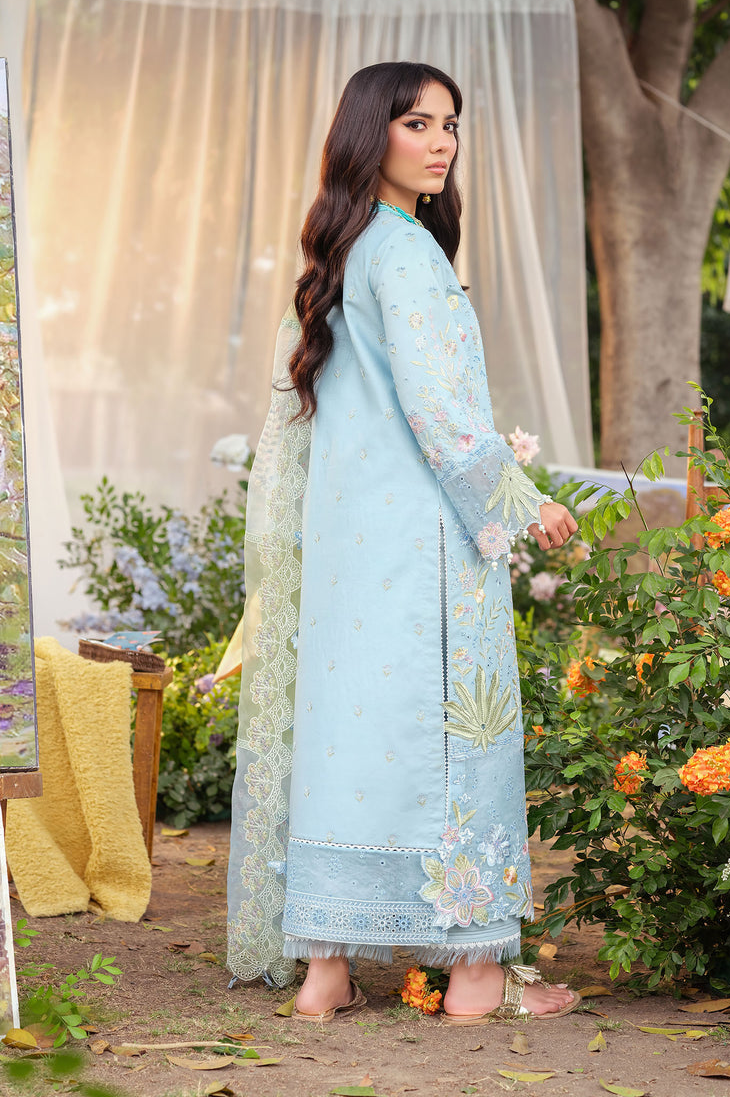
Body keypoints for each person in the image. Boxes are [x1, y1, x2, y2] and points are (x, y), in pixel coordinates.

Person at [227, 61, 579, 1026]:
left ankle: (325, 971)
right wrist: (521, 498)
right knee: (458, 736)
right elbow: (442, 413)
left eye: (451, 126)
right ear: (368, 134)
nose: (440, 142)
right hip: (426, 539)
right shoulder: (411, 253)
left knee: (351, 732)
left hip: (346, 541)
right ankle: (473, 975)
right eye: (416, 122)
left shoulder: (343, 254)